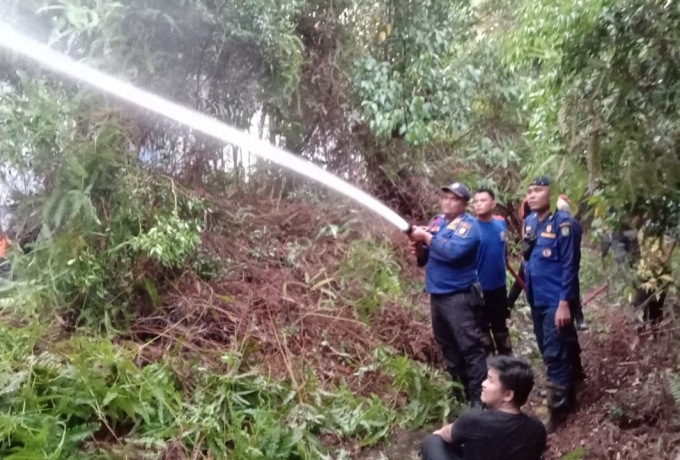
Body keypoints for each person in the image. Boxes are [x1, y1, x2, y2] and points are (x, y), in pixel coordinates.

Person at [410, 182, 487, 407]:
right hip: (437, 297)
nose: (447, 202)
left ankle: (478, 399)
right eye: (445, 197)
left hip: (459, 297)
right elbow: (426, 257)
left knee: (470, 348)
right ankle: (459, 392)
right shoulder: (436, 221)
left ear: (464, 204)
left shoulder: (469, 226)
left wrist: (425, 238)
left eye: (454, 199)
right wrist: (419, 249)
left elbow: (452, 252)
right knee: (448, 347)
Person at [523, 175, 581, 433]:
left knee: (554, 352)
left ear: (551, 193)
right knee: (547, 347)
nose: (532, 195)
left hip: (555, 299)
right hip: (536, 297)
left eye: (538, 190)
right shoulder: (530, 222)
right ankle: (568, 395)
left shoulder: (563, 223)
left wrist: (565, 303)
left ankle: (552, 410)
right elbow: (529, 259)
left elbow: (569, 265)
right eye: (530, 191)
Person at [421, 356, 546, 460]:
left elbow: (442, 434)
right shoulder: (537, 429)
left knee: (432, 441)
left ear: (508, 395)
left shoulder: (475, 420)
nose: (483, 384)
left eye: (490, 381)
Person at [473, 189, 512, 356]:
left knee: (500, 327)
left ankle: (507, 363)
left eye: (483, 200)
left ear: (493, 204)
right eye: (476, 201)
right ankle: (489, 365)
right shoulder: (470, 228)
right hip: (478, 288)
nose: (479, 204)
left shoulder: (501, 224)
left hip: (499, 286)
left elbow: (504, 249)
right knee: (482, 328)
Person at [633, 220, 676, 328]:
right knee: (639, 303)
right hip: (645, 273)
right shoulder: (643, 228)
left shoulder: (666, 223)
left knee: (656, 306)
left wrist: (666, 255)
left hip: (661, 274)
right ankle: (641, 330)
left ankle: (654, 332)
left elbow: (675, 234)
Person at [556, 195, 587, 332]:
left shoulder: (562, 222)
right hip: (572, 259)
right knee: (572, 281)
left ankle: (577, 317)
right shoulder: (574, 222)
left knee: (569, 284)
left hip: (562, 261)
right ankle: (579, 318)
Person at [507, 197, 531, 312]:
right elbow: (525, 223)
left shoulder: (556, 200)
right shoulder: (528, 202)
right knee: (521, 277)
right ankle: (508, 305)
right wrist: (526, 245)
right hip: (531, 246)